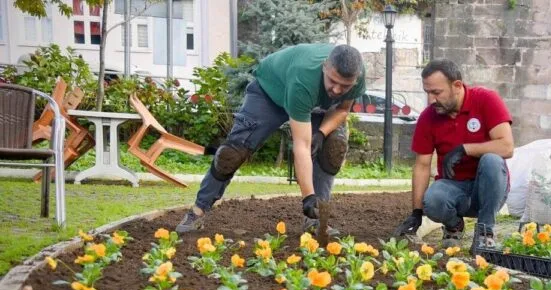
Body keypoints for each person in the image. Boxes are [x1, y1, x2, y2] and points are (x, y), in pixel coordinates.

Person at [175, 43, 366, 235]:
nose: (337, 90)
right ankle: (198, 211)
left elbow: (342, 109)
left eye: (345, 85)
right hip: (270, 92)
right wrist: (308, 196)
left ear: (355, 79)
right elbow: (301, 145)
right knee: (232, 154)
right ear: (325, 66)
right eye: (333, 81)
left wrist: (322, 133)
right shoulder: (304, 77)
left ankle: (316, 221)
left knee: (333, 147)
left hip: (312, 103)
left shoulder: (358, 76)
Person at [394, 59, 514, 248]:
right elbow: (422, 165)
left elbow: (507, 147)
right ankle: (454, 226)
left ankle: (485, 232)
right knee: (432, 200)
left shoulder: (486, 100)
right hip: (454, 188)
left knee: (492, 160)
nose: (431, 100)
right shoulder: (428, 117)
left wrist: (466, 149)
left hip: (488, 189)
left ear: (457, 86)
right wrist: (416, 212)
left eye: (436, 92)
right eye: (427, 93)